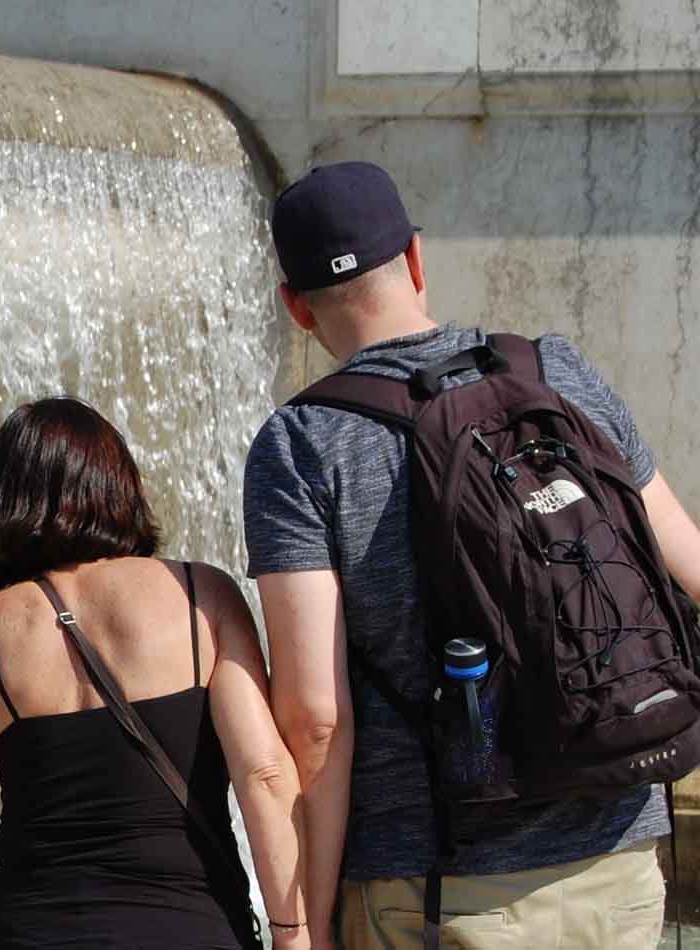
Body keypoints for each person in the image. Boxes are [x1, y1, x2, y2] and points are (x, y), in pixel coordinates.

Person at [245, 160, 700, 949]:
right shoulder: (553, 370)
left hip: (442, 892)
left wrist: (304, 927)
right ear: (417, 260)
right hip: (621, 867)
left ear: (296, 308)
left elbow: (316, 720)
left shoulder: (302, 443)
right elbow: (687, 568)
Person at [0, 397, 309, 950]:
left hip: (27, 932)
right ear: (118, 486)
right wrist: (294, 934)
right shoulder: (201, 597)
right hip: (191, 929)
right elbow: (264, 775)